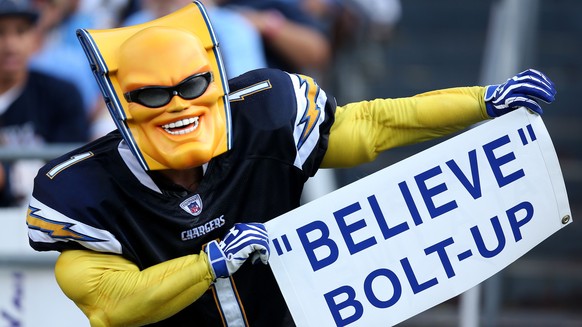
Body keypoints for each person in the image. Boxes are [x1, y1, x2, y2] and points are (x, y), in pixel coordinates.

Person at [25, 2, 556, 326]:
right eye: (155, 95)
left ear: (213, 79)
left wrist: (483, 101)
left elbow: (374, 125)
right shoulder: (79, 190)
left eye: (191, 86)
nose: (180, 105)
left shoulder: (266, 114)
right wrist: (210, 263)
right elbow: (110, 306)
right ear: (121, 104)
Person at [0, 0, 89, 207]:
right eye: (0, 33)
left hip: (49, 218)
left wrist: (9, 178)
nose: (10, 45)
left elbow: (74, 173)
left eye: (21, 32)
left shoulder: (60, 94)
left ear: (34, 38)